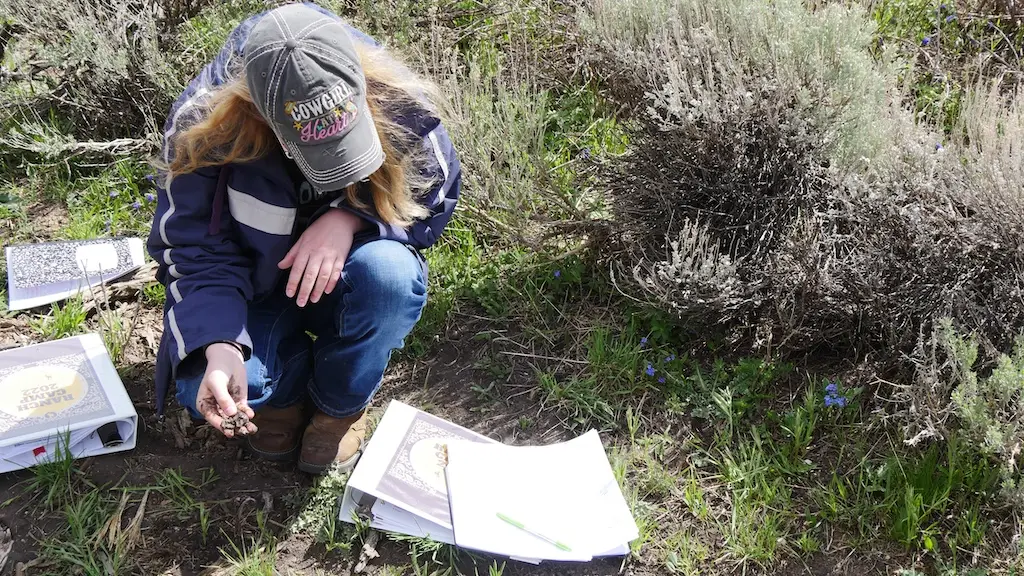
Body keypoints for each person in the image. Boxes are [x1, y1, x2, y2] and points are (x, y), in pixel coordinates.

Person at [146, 2, 460, 474]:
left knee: (390, 280)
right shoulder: (202, 127)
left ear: (359, 83)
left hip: (350, 274)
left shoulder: (399, 98)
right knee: (208, 385)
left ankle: (338, 405)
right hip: (253, 293)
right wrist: (221, 344)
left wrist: (350, 220)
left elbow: (433, 193)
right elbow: (193, 252)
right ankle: (283, 397)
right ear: (257, 113)